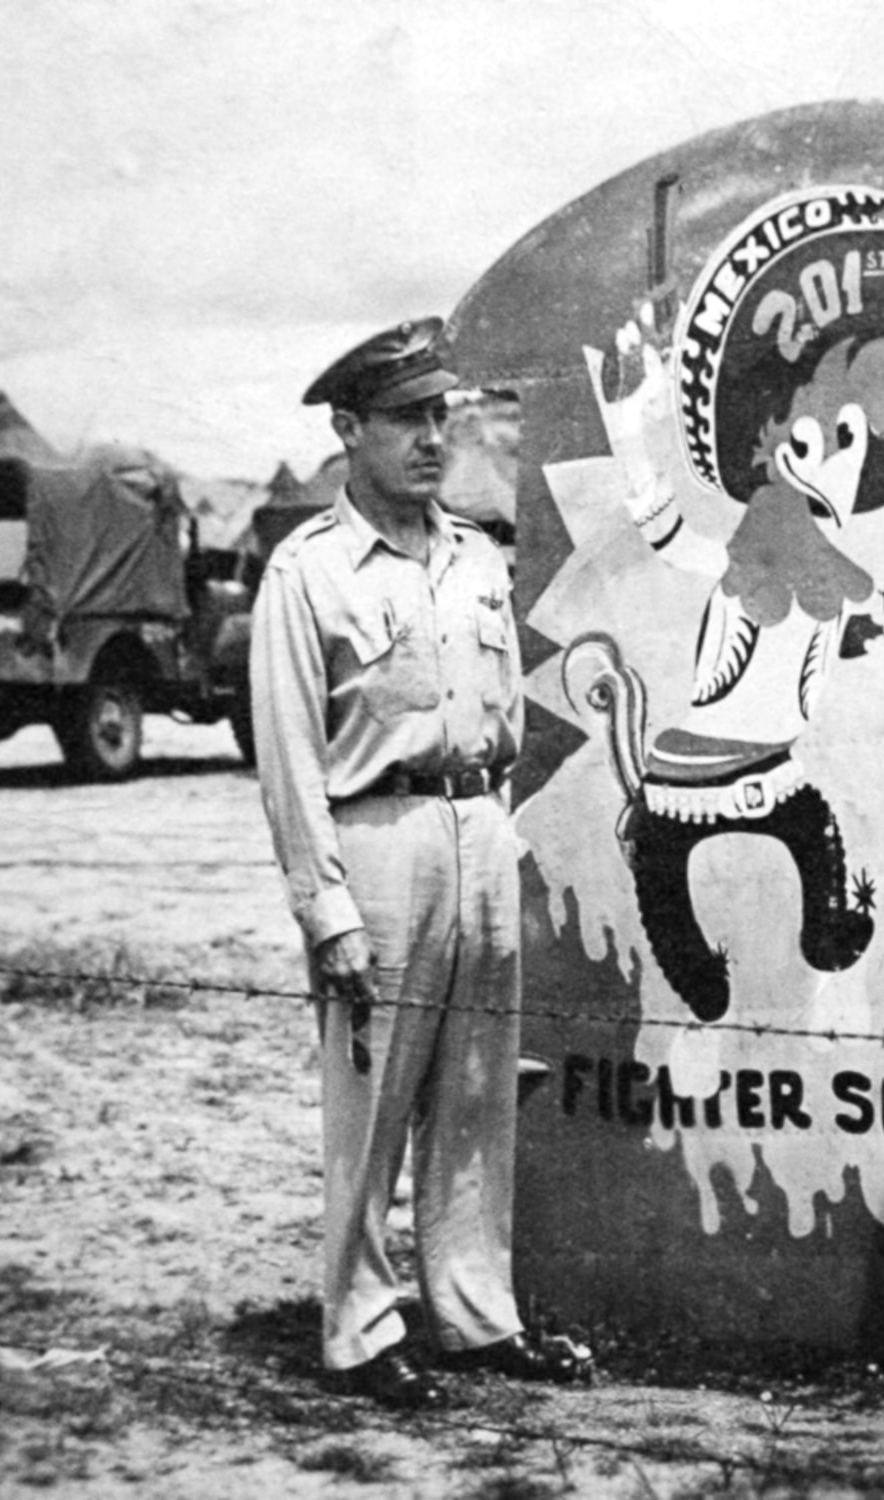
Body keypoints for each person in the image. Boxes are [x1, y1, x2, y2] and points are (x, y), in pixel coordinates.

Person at [251, 317, 588, 1409]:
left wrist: (504, 849)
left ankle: (475, 1315)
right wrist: (327, 910)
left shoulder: (476, 555)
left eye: (441, 416)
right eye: (406, 419)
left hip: (476, 831)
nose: (432, 438)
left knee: (480, 1096)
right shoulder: (307, 574)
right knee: (373, 1099)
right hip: (378, 838)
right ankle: (356, 1326)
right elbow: (292, 757)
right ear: (347, 429)